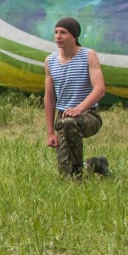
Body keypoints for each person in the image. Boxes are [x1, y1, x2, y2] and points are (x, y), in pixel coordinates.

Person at [43, 16, 107, 178]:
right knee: (65, 173)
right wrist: (50, 132)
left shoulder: (88, 55)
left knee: (69, 122)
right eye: (56, 32)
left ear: (74, 36)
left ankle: (77, 174)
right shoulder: (50, 61)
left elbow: (99, 89)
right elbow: (49, 97)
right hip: (63, 117)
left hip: (88, 114)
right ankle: (94, 164)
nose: (58, 36)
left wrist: (79, 108)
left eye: (63, 32)